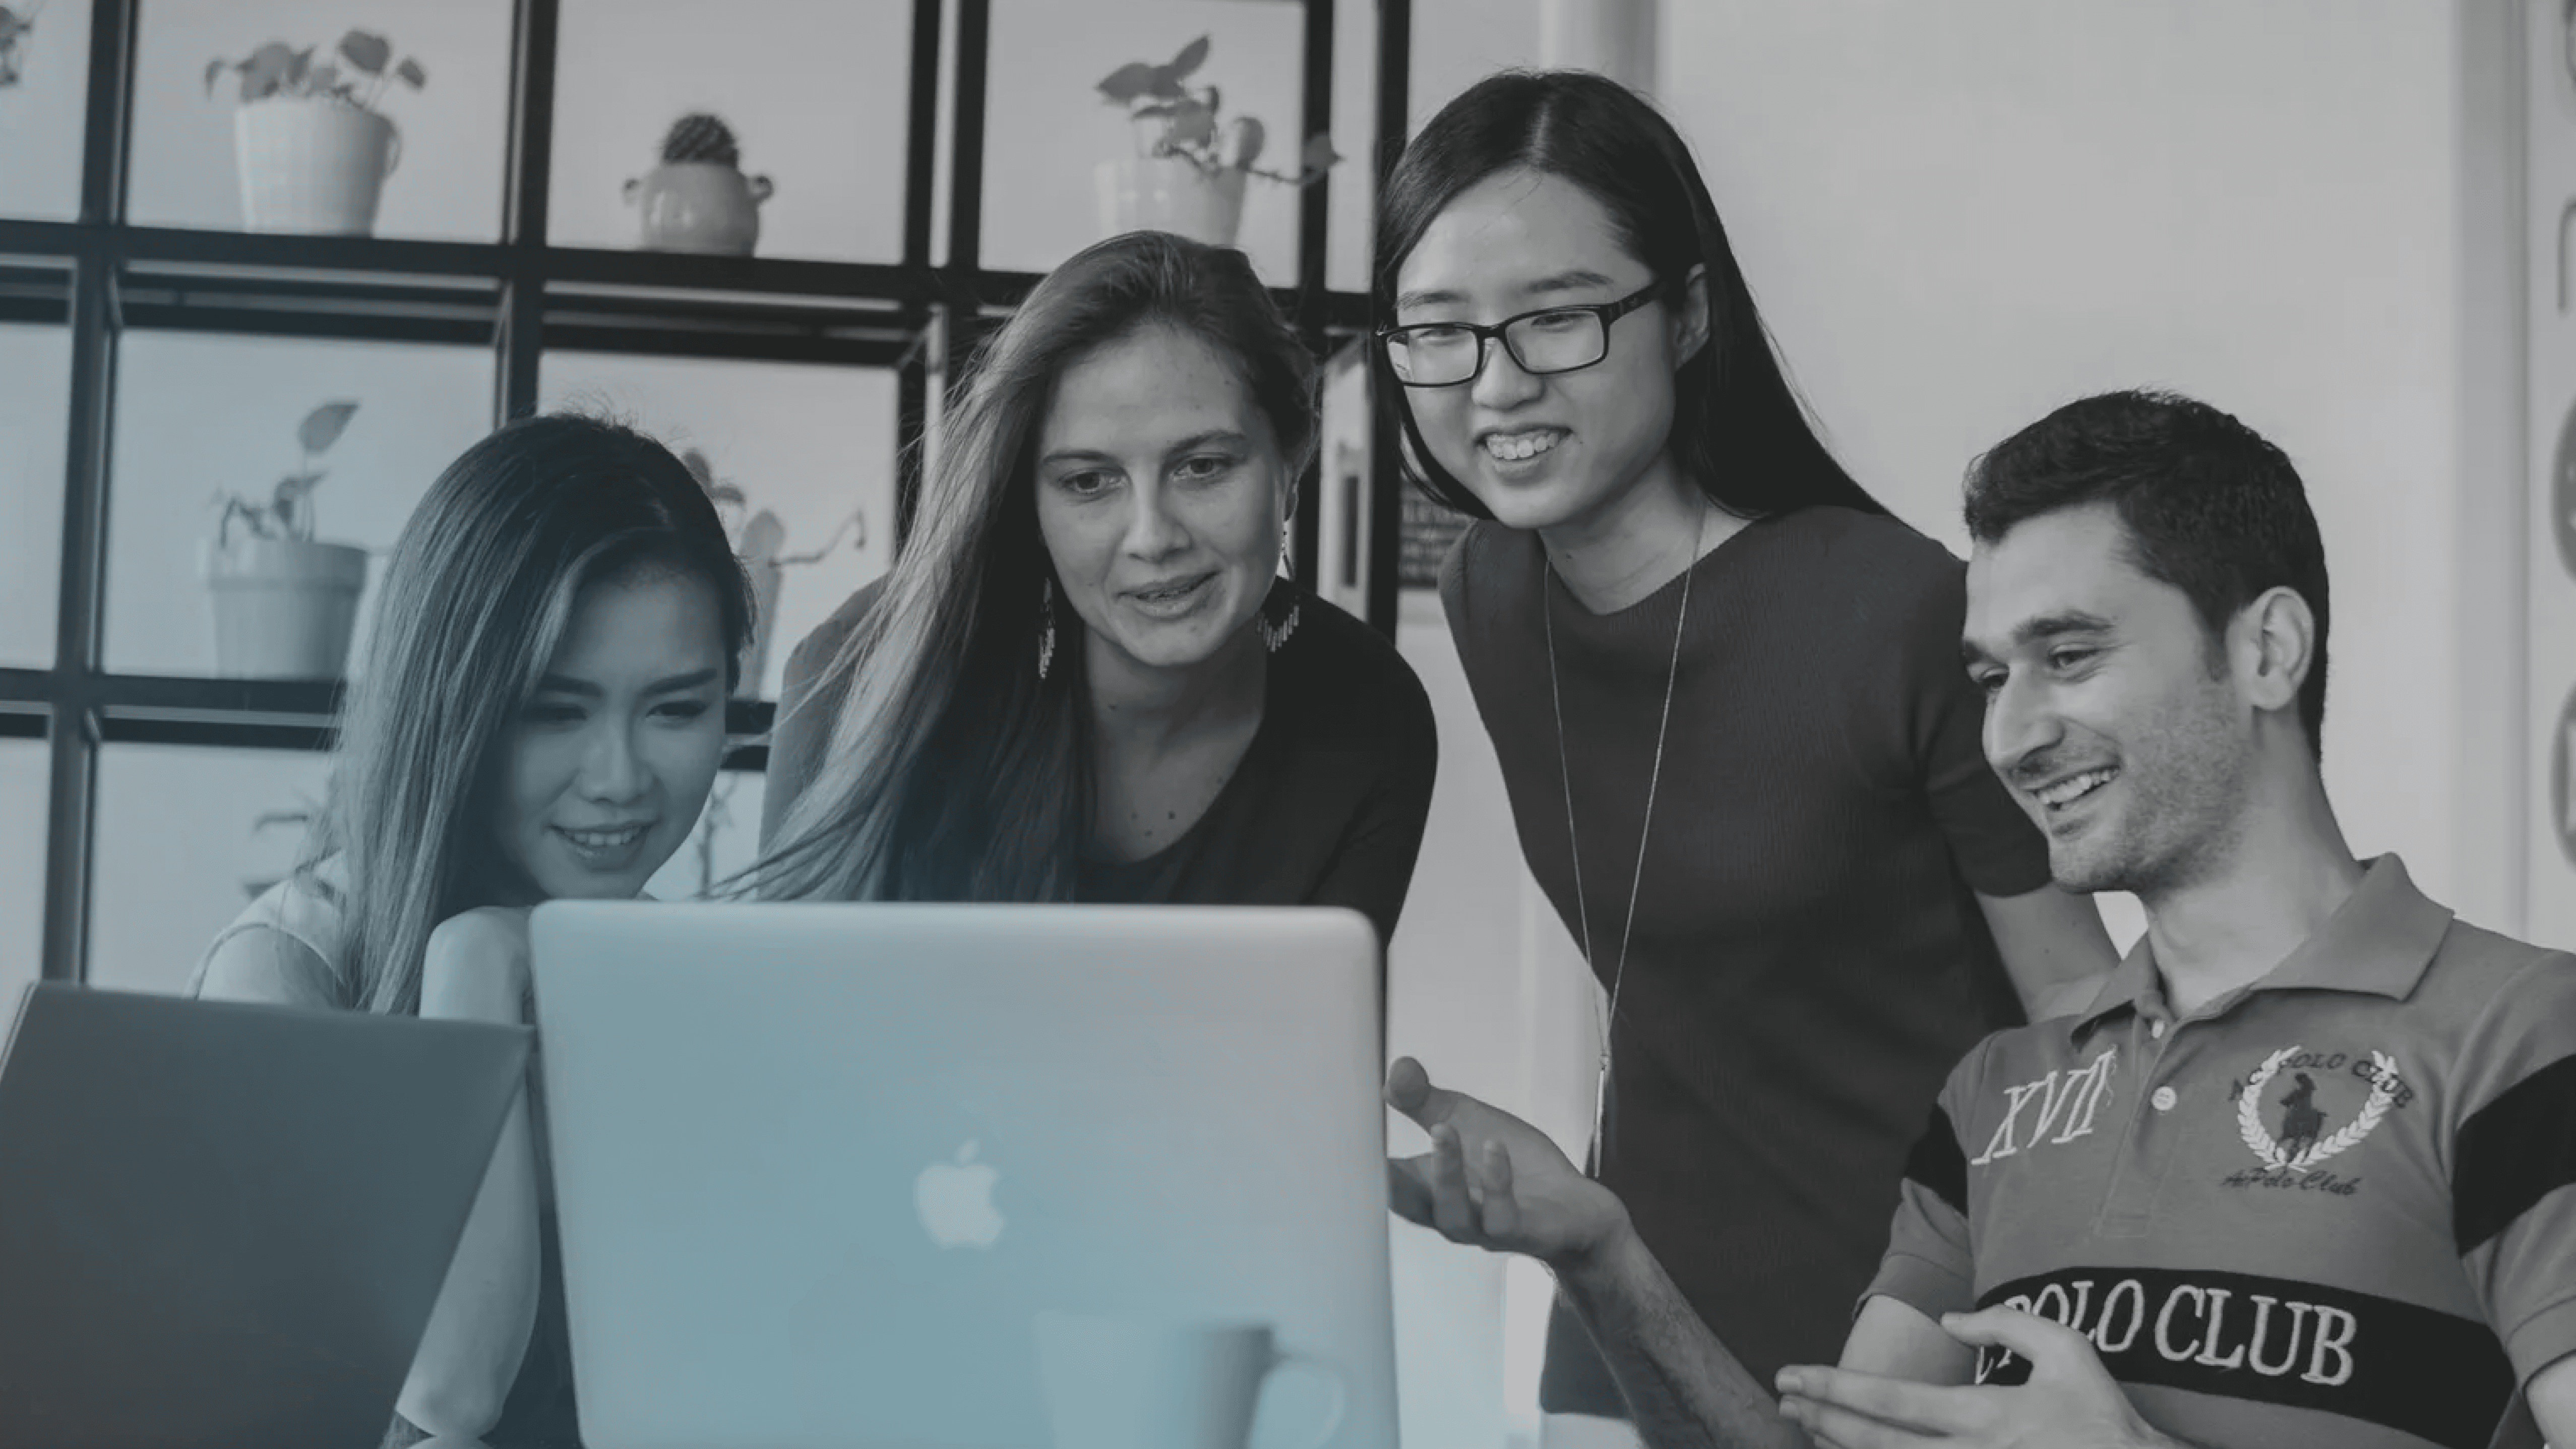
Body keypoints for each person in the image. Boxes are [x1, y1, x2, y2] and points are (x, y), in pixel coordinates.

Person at [1383, 389, 2576, 1447]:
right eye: (1991, 678)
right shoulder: (1993, 1096)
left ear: (2265, 648)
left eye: (2068, 653)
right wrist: (1603, 1258)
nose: (2011, 735)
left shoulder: (2520, 1039)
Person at [1372, 68, 2119, 1413]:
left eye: (1556, 319)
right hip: (1628, 1306)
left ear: (1688, 312)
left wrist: (1995, 1333)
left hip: (1920, 1334)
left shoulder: (1893, 613)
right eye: (1438, 329)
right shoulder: (1492, 591)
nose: (1494, 383)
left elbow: (2079, 1021)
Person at [190, 413, 756, 1449]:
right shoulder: (286, 968)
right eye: (554, 711)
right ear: (454, 705)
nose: (620, 780)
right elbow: (447, 1393)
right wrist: (476, 971)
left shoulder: (675, 979)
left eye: (676, 709)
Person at [754, 230, 1437, 959]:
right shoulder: (862, 667)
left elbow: (1303, 1056)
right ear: (1031, 505)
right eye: (1089, 481)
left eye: (1202, 466)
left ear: (1290, 460)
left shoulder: (1370, 714)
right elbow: (786, 1035)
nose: (1152, 536)